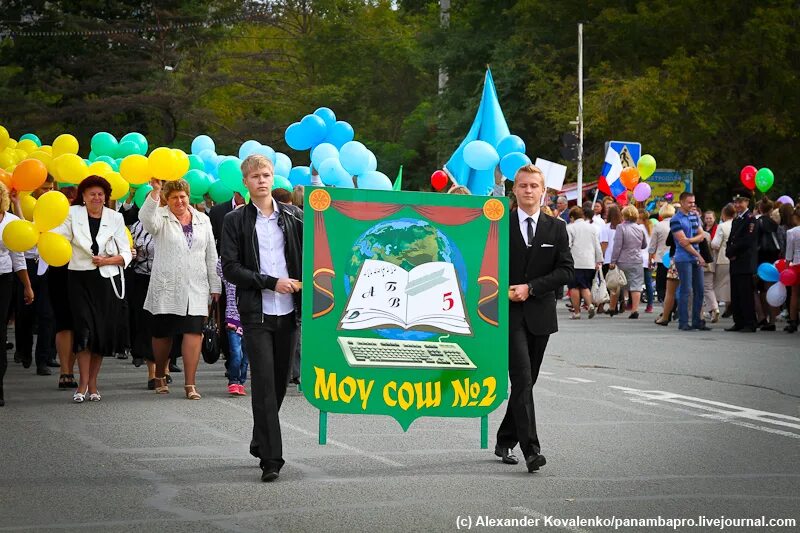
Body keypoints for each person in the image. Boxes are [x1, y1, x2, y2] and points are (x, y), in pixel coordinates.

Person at [221, 154, 303, 483]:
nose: (261, 180)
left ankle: (260, 437)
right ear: (245, 182)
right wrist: (271, 282)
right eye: (255, 176)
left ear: (274, 177)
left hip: (288, 314)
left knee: (280, 383)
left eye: (266, 174)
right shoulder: (235, 220)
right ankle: (271, 458)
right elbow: (230, 268)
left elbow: (315, 253)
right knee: (265, 386)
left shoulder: (294, 216)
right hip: (256, 314)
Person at [494, 164, 573, 473]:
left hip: (540, 316)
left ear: (543, 192)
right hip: (508, 315)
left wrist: (532, 288)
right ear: (514, 190)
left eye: (533, 186)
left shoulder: (557, 228)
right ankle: (531, 451)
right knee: (523, 380)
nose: (528, 190)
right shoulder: (500, 225)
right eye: (523, 185)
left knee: (528, 384)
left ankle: (504, 438)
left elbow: (566, 270)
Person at [139, 178, 220, 400]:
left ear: (188, 197)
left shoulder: (203, 219)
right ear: (167, 198)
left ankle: (190, 384)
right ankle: (159, 376)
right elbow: (145, 219)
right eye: (174, 197)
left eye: (182, 196)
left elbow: (211, 254)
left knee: (194, 332)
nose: (179, 201)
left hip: (196, 285)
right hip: (167, 286)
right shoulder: (160, 217)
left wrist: (215, 285)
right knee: (162, 333)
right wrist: (155, 191)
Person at [54, 175, 132, 402]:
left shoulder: (115, 217)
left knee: (100, 332)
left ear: (106, 196)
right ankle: (82, 384)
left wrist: (108, 260)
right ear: (84, 197)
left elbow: (126, 252)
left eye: (100, 194)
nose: (97, 198)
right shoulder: (72, 213)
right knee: (84, 329)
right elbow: (59, 237)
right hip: (78, 278)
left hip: (106, 280)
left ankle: (94, 384)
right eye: (92, 194)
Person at [10, 175, 58, 375]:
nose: (46, 192)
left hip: (48, 263)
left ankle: (43, 360)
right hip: (27, 265)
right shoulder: (26, 205)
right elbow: (23, 229)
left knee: (47, 315)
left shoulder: (55, 207)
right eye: (43, 188)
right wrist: (18, 204)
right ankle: (23, 350)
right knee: (25, 313)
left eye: (50, 188)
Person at [0, 183, 35, 406]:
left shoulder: (11, 222)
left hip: (3, 280)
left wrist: (27, 286)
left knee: (0, 333)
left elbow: (18, 257)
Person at [670, 192, 710, 331]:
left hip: (695, 257)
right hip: (684, 258)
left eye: (693, 202)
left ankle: (697, 321)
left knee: (699, 290)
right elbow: (682, 243)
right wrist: (698, 255)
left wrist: (691, 240)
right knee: (686, 290)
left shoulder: (695, 216)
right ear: (681, 202)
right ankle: (683, 321)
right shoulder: (675, 219)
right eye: (689, 202)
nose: (692, 205)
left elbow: (701, 236)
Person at [725, 190, 758, 332]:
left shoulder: (750, 219)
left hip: (744, 260)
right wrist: (728, 252)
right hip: (735, 261)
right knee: (736, 293)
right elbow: (731, 239)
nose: (737, 205)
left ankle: (749, 322)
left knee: (745, 294)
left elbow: (748, 241)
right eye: (736, 202)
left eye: (741, 202)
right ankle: (738, 321)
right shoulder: (737, 219)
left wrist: (733, 251)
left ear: (747, 202)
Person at [609, 206, 647, 319]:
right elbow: (644, 245)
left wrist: (613, 261)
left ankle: (612, 308)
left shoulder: (621, 228)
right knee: (636, 285)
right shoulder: (640, 228)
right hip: (637, 260)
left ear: (624, 215)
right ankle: (634, 310)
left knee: (617, 284)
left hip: (623, 260)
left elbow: (617, 246)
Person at [217, 258, 248, 396]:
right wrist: (228, 253)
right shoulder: (230, 279)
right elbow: (219, 267)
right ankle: (233, 380)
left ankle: (241, 381)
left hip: (249, 320)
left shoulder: (250, 278)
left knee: (246, 357)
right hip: (232, 320)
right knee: (236, 354)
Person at [566, 206, 602, 319]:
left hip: (575, 261)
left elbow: (568, 245)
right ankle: (590, 304)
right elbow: (597, 245)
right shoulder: (593, 228)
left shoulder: (570, 228)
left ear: (572, 217)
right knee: (585, 286)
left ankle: (577, 312)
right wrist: (599, 260)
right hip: (589, 262)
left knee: (574, 287)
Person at [754, 197, 780, 331]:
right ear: (771, 209)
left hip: (760, 257)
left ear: (759, 209)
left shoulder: (757, 222)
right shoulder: (775, 223)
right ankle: (773, 320)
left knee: (756, 288)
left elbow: (754, 242)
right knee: (770, 288)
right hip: (773, 258)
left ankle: (761, 317)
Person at [711, 204, 735, 318]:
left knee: (719, 285)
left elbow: (715, 244)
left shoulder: (722, 226)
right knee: (731, 285)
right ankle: (729, 307)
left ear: (724, 214)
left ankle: (714, 308)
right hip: (735, 259)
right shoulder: (737, 224)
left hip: (723, 258)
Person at [783, 206, 800, 333]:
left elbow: (789, 252)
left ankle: (793, 321)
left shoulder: (792, 232)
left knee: (794, 294)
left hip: (796, 264)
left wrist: (786, 267)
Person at [638, 209, 655, 313]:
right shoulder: (651, 227)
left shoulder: (639, 228)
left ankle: (632, 303)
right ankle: (650, 304)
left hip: (639, 257)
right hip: (649, 257)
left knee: (635, 282)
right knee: (648, 282)